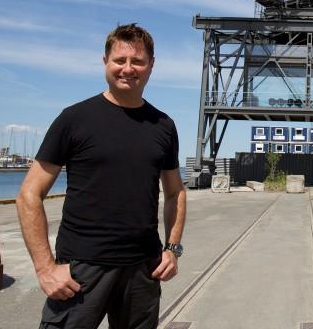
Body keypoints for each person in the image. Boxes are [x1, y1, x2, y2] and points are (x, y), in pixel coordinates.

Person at [16, 23, 186, 329]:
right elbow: (30, 193)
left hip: (142, 270)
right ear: (105, 61)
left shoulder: (163, 125)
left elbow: (176, 192)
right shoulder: (74, 119)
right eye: (119, 60)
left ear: (151, 66)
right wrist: (44, 268)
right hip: (81, 270)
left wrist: (172, 250)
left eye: (137, 61)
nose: (128, 69)